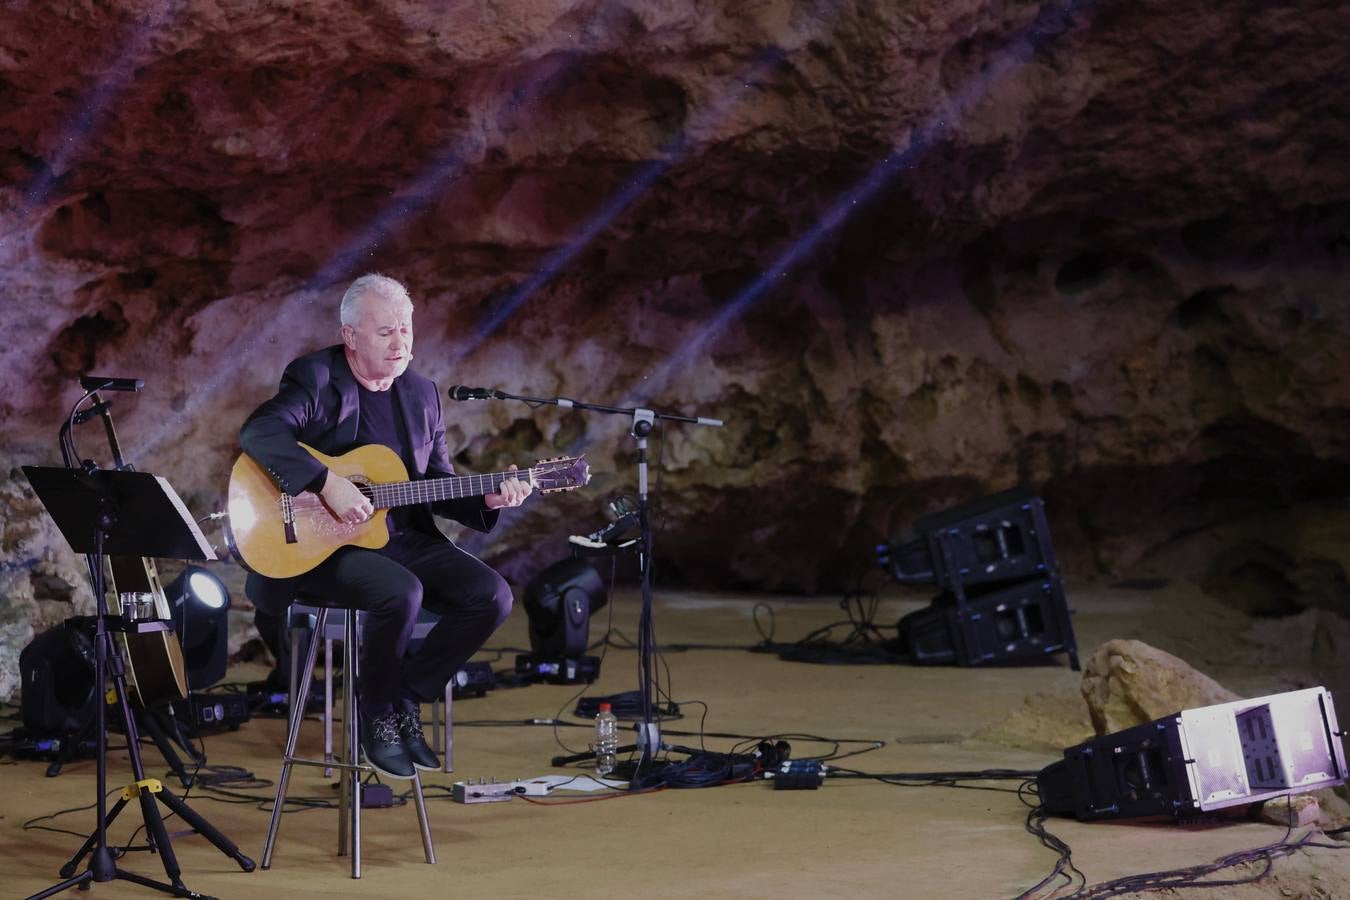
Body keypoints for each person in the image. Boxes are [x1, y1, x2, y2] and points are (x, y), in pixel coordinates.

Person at [238, 273, 531, 778]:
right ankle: (375, 715)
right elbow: (259, 432)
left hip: (400, 538)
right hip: (320, 546)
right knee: (401, 592)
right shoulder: (316, 378)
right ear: (350, 336)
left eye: (406, 330)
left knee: (492, 596)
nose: (401, 344)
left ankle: (405, 699)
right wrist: (326, 483)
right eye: (385, 332)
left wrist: (487, 496)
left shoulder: (422, 394)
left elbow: (437, 482)